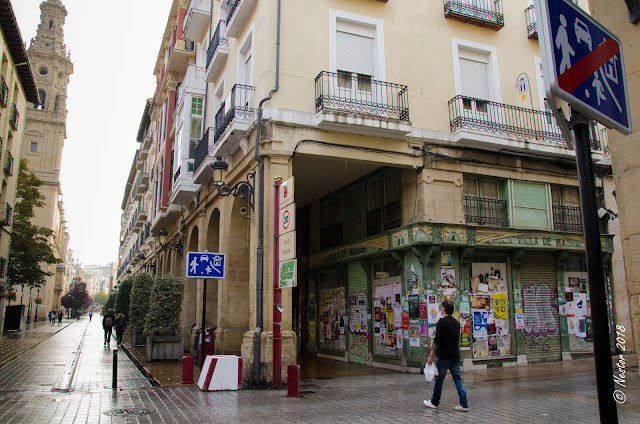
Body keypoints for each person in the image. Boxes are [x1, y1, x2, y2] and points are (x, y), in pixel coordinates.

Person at [424, 300, 469, 412]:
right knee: (458, 379)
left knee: (439, 379)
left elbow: (437, 342)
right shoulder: (456, 323)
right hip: (455, 355)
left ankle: (434, 401)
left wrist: (431, 356)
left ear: (443, 309)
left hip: (444, 356)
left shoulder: (441, 323)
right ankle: (464, 404)